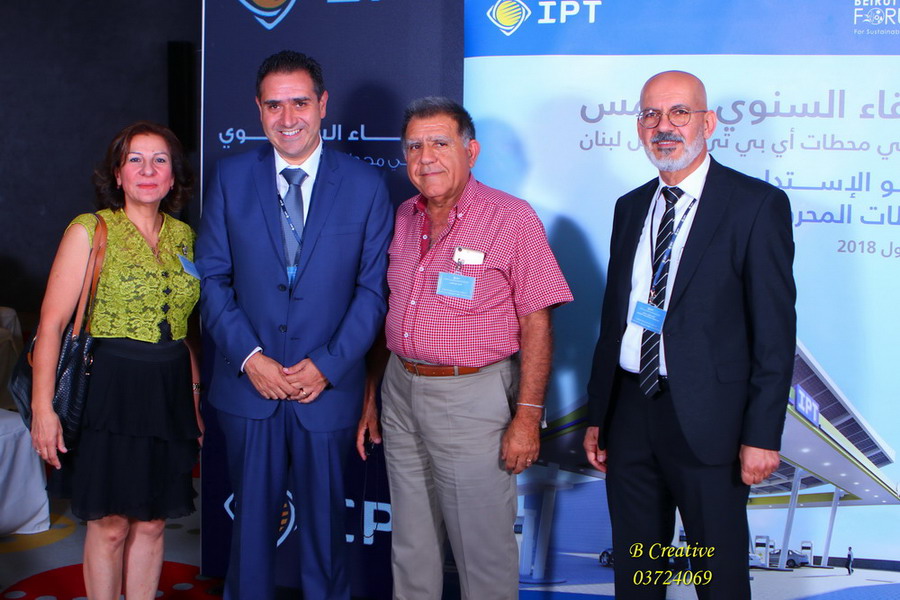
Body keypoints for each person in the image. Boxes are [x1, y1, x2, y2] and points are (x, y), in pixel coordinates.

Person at [582, 71, 796, 600]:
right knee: (639, 574)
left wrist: (763, 434)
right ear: (639, 126)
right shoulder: (630, 206)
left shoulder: (755, 205)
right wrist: (599, 413)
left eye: (679, 112)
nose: (664, 126)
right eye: (650, 114)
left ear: (708, 123)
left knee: (717, 578)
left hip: (711, 421)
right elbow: (614, 320)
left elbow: (774, 332)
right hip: (630, 413)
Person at [357, 97, 572, 600]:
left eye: (440, 143)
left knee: (483, 553)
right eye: (414, 146)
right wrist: (372, 395)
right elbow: (392, 312)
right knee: (410, 545)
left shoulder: (510, 218)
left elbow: (537, 323)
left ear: (470, 151)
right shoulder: (404, 216)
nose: (426, 157)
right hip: (401, 391)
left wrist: (527, 418)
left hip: (471, 398)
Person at [195, 50, 392, 600]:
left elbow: (373, 291)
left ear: (323, 104)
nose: (287, 118)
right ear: (258, 109)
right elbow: (212, 279)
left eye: (299, 103)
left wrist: (327, 366)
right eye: (274, 105)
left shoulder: (365, 185)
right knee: (249, 538)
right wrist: (250, 359)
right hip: (248, 387)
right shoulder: (231, 177)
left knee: (327, 540)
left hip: (325, 391)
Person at [30, 121, 201, 600]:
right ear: (118, 174)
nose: (148, 170)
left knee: (152, 522)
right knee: (110, 526)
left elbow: (183, 329)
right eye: (135, 160)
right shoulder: (91, 230)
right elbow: (51, 325)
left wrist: (194, 400)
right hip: (110, 392)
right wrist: (43, 410)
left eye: (159, 160)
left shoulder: (184, 236)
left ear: (173, 176)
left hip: (168, 394)